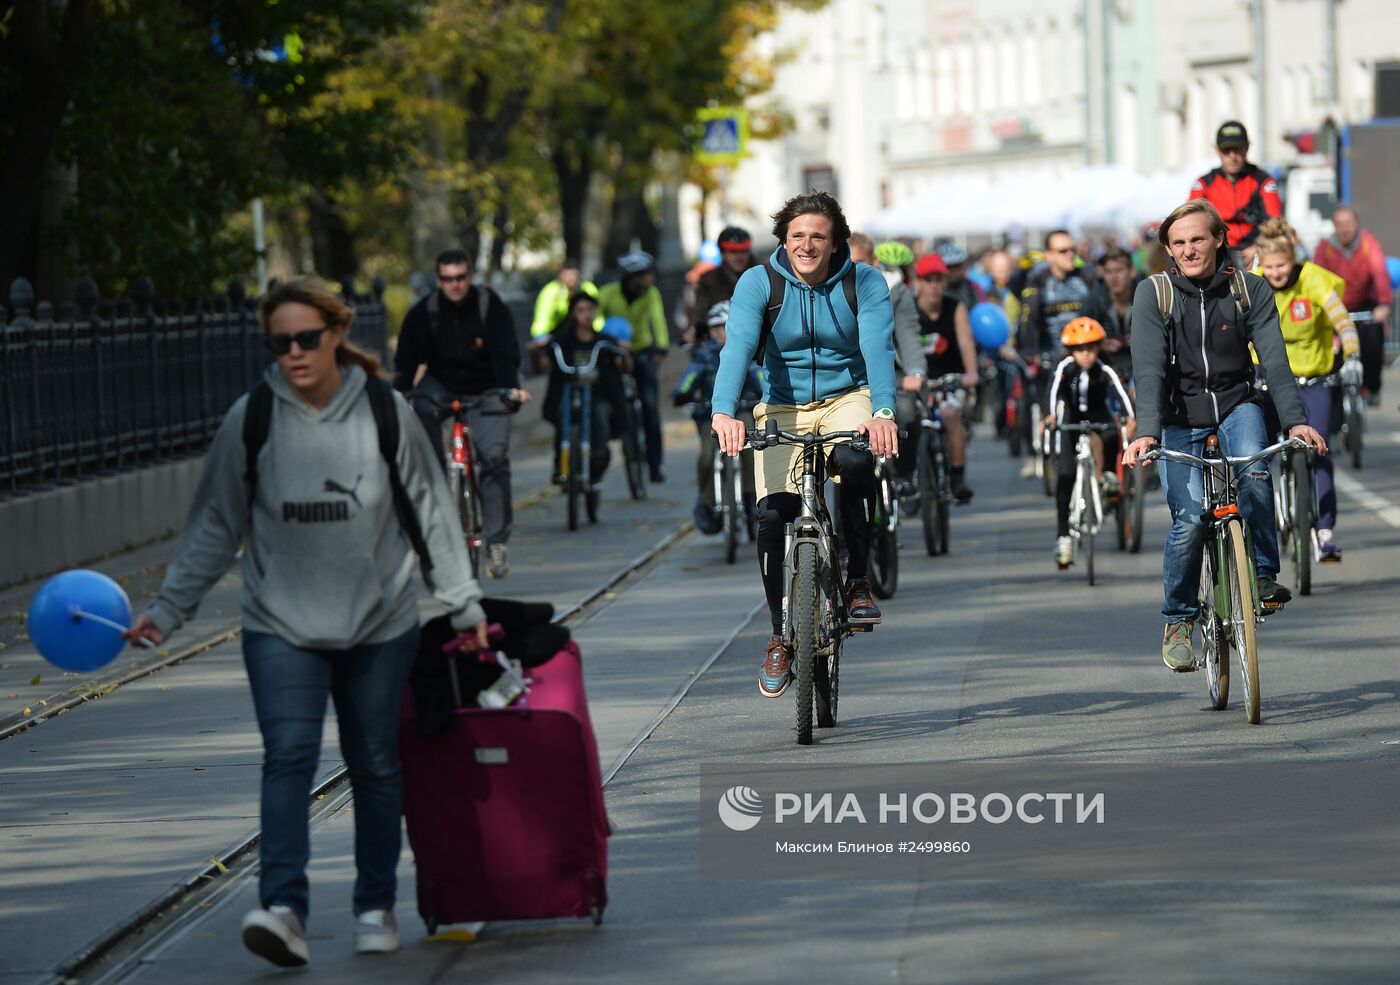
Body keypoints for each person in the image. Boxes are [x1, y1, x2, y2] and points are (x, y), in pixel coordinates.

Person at [124, 277, 486, 967]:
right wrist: (168, 609)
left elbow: (432, 510)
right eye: (280, 341)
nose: (294, 352)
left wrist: (462, 599)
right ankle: (284, 906)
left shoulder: (385, 410)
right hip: (279, 622)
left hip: (379, 621)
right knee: (287, 756)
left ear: (335, 334)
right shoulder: (253, 415)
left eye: (306, 338)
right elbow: (213, 525)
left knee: (376, 763)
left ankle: (375, 904)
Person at [1122, 201, 1326, 672]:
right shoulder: (1154, 294)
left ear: (1219, 239)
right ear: (1169, 250)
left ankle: (1261, 573)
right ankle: (1178, 620)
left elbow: (1274, 360)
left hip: (1239, 405)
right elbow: (1148, 369)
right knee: (1190, 521)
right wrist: (1146, 431)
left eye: (1197, 239)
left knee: (1254, 467)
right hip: (1178, 417)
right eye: (1179, 242)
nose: (1189, 249)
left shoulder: (1249, 288)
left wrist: (1295, 420)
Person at [709, 190, 898, 698]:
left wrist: (882, 412)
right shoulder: (758, 283)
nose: (807, 245)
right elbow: (740, 348)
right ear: (784, 241)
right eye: (798, 236)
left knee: (856, 463)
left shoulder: (865, 282)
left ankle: (857, 580)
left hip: (849, 396)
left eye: (818, 236)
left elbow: (878, 348)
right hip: (784, 405)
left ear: (836, 243)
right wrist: (723, 411)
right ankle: (778, 636)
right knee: (773, 513)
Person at [395, 249, 530, 580]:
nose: (454, 285)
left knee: (494, 457)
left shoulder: (489, 306)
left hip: (487, 386)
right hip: (442, 385)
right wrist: (397, 394)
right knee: (419, 408)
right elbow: (408, 360)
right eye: (446, 279)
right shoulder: (425, 312)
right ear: (438, 280)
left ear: (470, 277)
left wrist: (510, 389)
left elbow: (505, 351)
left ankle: (496, 540)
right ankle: (437, 479)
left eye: (460, 278)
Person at [1253, 217, 1361, 561]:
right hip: (1266, 379)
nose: (1275, 273)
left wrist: (1353, 354)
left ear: (1293, 258)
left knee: (1320, 453)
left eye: (1281, 265)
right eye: (1268, 266)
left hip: (1313, 379)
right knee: (1259, 455)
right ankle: (1262, 527)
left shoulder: (1313, 279)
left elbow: (1341, 319)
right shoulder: (1252, 284)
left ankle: (1325, 531)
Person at [1044, 317, 1136, 568]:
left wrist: (1130, 417)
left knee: (1110, 435)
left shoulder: (1104, 369)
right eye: (1079, 349)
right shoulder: (1065, 367)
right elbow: (1052, 391)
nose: (1085, 355)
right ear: (1071, 351)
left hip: (1098, 417)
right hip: (1071, 420)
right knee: (1064, 477)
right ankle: (1063, 537)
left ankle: (1107, 477)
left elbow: (1120, 391)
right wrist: (1051, 415)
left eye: (1091, 348)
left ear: (1098, 348)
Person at [1010, 229, 1093, 477]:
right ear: (1049, 255)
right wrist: (1030, 352)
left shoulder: (1086, 277)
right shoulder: (1038, 280)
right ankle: (1040, 447)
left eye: (1072, 250)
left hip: (1084, 352)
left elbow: (1100, 311)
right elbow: (1028, 320)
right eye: (1062, 251)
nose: (1070, 255)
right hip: (1050, 354)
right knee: (1033, 395)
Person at [673, 300, 761, 534]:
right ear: (712, 331)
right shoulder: (704, 356)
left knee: (751, 449)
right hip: (709, 415)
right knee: (706, 455)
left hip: (743, 409)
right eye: (721, 327)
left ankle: (753, 497)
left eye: (731, 325)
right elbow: (690, 379)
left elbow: (760, 379)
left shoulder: (749, 352)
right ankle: (707, 501)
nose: (726, 331)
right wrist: (682, 394)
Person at [852, 237, 925, 499]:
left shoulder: (896, 290)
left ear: (874, 263)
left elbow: (907, 334)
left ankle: (903, 475)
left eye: (858, 262)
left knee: (906, 411)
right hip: (849, 374)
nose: (852, 268)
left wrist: (915, 372)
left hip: (890, 371)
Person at [543, 292, 630, 497]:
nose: (586, 315)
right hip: (569, 394)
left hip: (597, 395)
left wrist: (623, 356)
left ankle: (599, 456)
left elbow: (623, 364)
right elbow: (544, 361)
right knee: (561, 413)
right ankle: (560, 464)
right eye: (581, 310)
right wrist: (537, 351)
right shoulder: (562, 340)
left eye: (590, 310)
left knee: (600, 414)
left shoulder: (604, 342)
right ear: (573, 313)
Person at [912, 252, 979, 502]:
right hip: (918, 380)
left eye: (939, 279)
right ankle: (909, 477)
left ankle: (958, 476)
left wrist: (971, 374)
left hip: (951, 378)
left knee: (951, 415)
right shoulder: (908, 308)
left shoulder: (955, 307)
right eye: (928, 280)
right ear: (918, 282)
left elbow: (965, 341)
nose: (934, 286)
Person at [598, 250, 669, 483]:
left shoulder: (651, 294)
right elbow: (597, 320)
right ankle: (620, 431)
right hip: (614, 351)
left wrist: (661, 346)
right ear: (632, 277)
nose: (651, 279)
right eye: (646, 275)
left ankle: (655, 464)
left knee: (650, 407)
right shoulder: (607, 294)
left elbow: (657, 320)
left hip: (642, 350)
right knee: (612, 397)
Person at [1312, 204, 1392, 406]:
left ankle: (1372, 387)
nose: (1344, 229)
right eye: (1340, 224)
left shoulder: (1368, 244)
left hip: (1363, 304)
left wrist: (1383, 304)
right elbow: (1316, 278)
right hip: (1335, 305)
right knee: (1330, 347)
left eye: (1348, 224)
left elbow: (1380, 273)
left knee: (1373, 338)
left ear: (1356, 225)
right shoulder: (1325, 248)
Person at [1188, 121, 1282, 254]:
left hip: (1256, 251)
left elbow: (1275, 224)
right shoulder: (1204, 183)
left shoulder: (1264, 181)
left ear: (1247, 148)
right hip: (1217, 251)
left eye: (1237, 149)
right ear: (1217, 150)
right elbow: (1189, 222)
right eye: (1226, 150)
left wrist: (1260, 248)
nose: (1232, 156)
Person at [692, 226, 763, 342]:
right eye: (733, 252)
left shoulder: (762, 273)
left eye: (743, 251)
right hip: (722, 341)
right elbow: (699, 310)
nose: (739, 256)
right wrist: (693, 329)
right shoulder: (709, 279)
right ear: (722, 253)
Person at [1085, 246, 1139, 383]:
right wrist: (1101, 344)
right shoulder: (1096, 298)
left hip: (1140, 364)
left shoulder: (1145, 295)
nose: (1114, 277)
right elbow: (1083, 331)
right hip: (1106, 366)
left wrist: (1142, 339)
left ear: (1131, 271)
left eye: (1119, 270)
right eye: (1108, 271)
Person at [529, 258, 598, 349]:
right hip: (553, 332)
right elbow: (543, 319)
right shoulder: (551, 291)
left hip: (583, 331)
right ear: (560, 276)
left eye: (573, 274)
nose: (571, 278)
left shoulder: (588, 288)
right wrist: (542, 338)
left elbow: (597, 316)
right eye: (566, 275)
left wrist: (598, 334)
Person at [937, 241, 982, 311]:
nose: (953, 271)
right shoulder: (934, 288)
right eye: (949, 267)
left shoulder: (972, 288)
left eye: (957, 266)